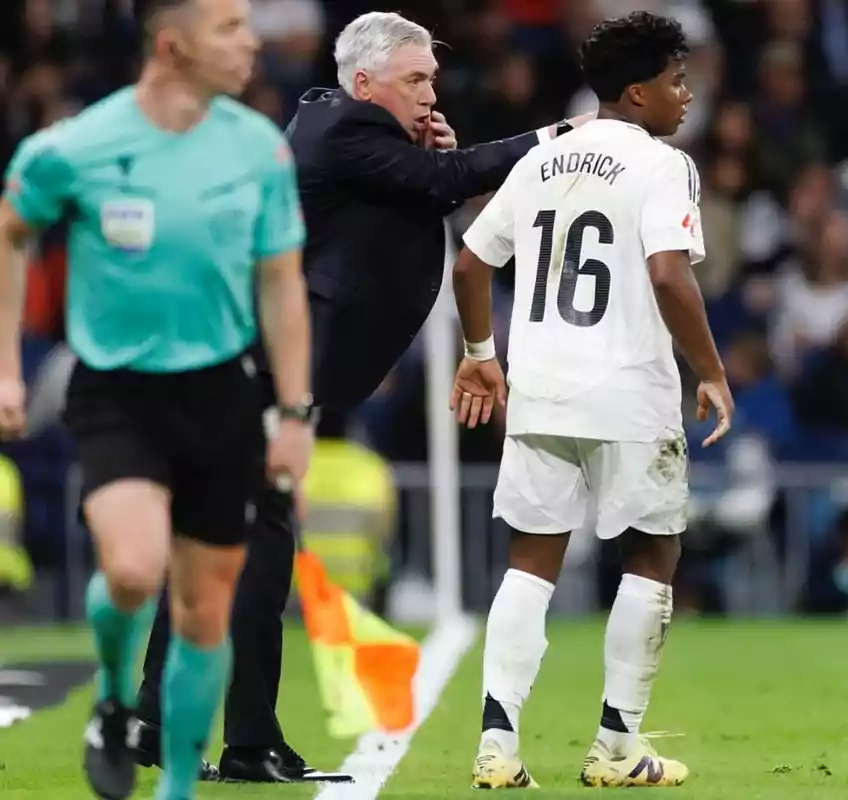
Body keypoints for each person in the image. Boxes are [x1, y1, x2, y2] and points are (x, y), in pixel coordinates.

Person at [128, 9, 591, 785]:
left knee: (231, 550)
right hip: (262, 373)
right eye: (416, 80)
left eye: (433, 80)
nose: (430, 94)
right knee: (244, 553)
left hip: (265, 371)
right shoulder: (340, 129)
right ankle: (223, 733)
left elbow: (414, 197)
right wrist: (557, 139)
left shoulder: (348, 134)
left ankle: (180, 722)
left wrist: (432, 157)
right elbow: (443, 184)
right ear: (365, 80)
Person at [0, 0, 312, 798]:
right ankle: (112, 695)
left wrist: (294, 413)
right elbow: (10, 233)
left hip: (221, 393)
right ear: (173, 46)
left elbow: (281, 286)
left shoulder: (258, 151)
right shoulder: (77, 146)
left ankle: (174, 784)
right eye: (230, 29)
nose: (252, 42)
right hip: (118, 391)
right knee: (135, 571)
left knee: (206, 614)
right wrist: (4, 367)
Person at [449, 11, 734, 789]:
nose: (688, 94)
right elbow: (671, 276)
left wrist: (481, 357)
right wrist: (710, 369)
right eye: (677, 81)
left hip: (540, 390)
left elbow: (471, 268)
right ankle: (616, 746)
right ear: (637, 93)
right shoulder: (661, 164)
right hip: (628, 395)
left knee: (530, 564)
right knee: (652, 555)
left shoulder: (545, 157)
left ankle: (498, 746)